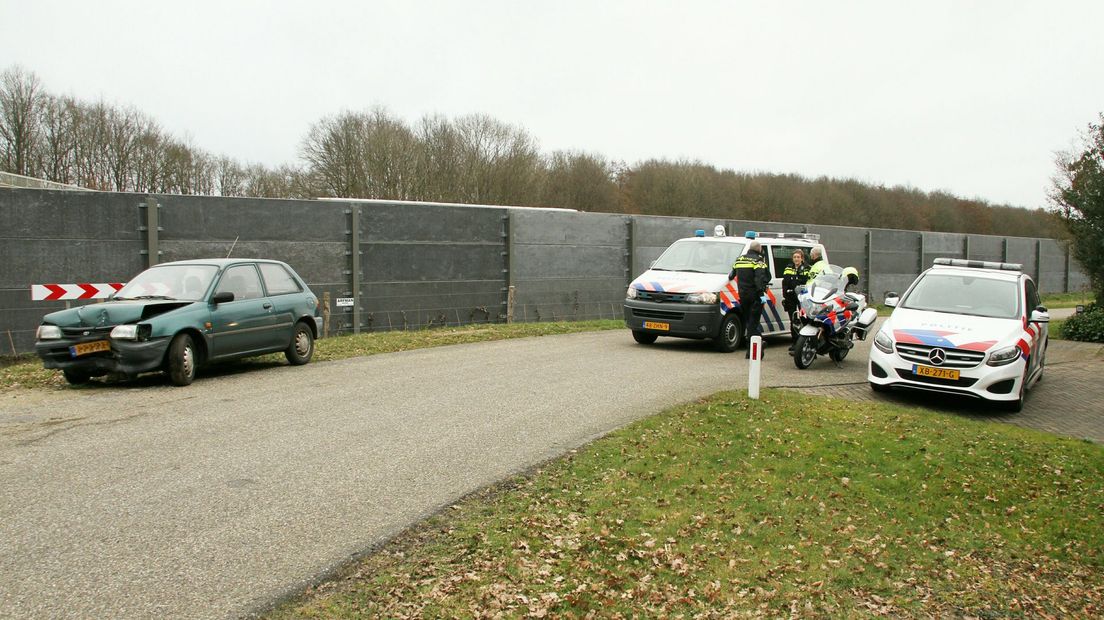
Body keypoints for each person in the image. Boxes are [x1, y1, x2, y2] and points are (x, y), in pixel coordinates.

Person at [729, 240, 771, 358]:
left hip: (743, 296)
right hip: (755, 296)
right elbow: (760, 279)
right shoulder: (758, 261)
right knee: (754, 323)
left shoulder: (739, 260)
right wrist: (761, 294)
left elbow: (731, 275)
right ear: (759, 249)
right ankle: (757, 346)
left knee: (749, 322)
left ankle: (751, 350)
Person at [782, 249, 810, 350]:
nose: (796, 259)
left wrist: (796, 281)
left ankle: (806, 342)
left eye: (798, 257)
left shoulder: (807, 268)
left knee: (805, 319)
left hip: (803, 298)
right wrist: (785, 294)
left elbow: (808, 282)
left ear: (802, 258)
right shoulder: (788, 268)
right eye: (794, 257)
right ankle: (795, 343)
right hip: (791, 297)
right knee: (793, 320)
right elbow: (785, 281)